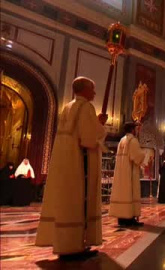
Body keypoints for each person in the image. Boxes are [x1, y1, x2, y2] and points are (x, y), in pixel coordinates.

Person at [35, 76, 106, 259]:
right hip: (78, 164)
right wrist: (100, 126)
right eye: (93, 89)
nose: (95, 93)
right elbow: (88, 139)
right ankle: (74, 247)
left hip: (65, 162)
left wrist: (96, 124)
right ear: (84, 90)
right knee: (77, 201)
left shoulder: (68, 107)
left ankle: (65, 244)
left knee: (66, 203)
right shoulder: (86, 107)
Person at [109, 122, 146, 227]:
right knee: (130, 192)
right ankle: (130, 218)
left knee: (122, 193)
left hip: (121, 171)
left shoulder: (122, 140)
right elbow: (136, 156)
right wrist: (144, 154)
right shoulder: (132, 140)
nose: (137, 130)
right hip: (130, 171)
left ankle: (121, 219)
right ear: (132, 130)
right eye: (136, 128)